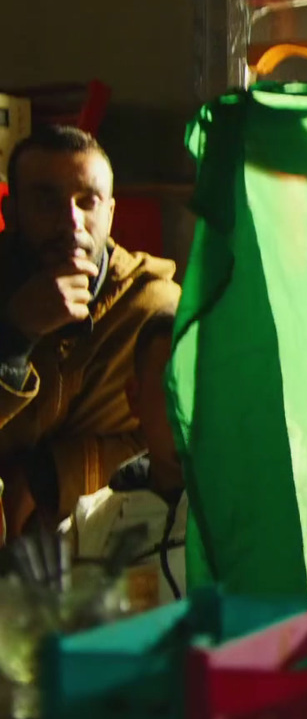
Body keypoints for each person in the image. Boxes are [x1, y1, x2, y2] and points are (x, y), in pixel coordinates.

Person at [0, 125, 181, 538]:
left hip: (105, 540)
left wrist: (48, 475)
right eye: (47, 201)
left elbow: (178, 443)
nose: (72, 223)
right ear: (11, 213)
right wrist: (14, 339)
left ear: (111, 213)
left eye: (88, 202)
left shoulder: (151, 307)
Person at [68, 313, 185, 611]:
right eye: (173, 383)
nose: (189, 403)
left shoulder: (254, 507)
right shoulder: (91, 526)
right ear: (135, 398)